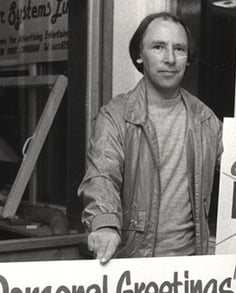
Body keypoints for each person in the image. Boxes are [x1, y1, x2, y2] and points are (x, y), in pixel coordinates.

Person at [78, 11, 222, 263]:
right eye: (158, 47)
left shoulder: (205, 118)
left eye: (179, 49)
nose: (170, 59)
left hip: (191, 271)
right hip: (135, 268)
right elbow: (102, 176)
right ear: (139, 55)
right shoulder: (115, 115)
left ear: (188, 59)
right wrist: (104, 225)